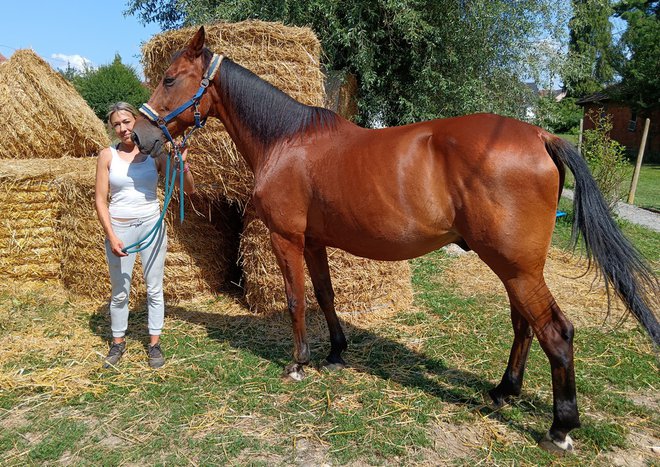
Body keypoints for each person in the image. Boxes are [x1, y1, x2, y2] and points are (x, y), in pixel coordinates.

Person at [95, 102, 195, 369]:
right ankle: (118, 343)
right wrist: (111, 235)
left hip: (151, 227)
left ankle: (154, 344)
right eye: (116, 124)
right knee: (120, 291)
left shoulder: (155, 153)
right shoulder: (107, 155)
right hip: (120, 229)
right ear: (112, 128)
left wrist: (181, 164)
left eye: (126, 122)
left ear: (136, 121)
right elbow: (100, 200)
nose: (123, 128)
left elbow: (187, 188)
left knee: (154, 288)